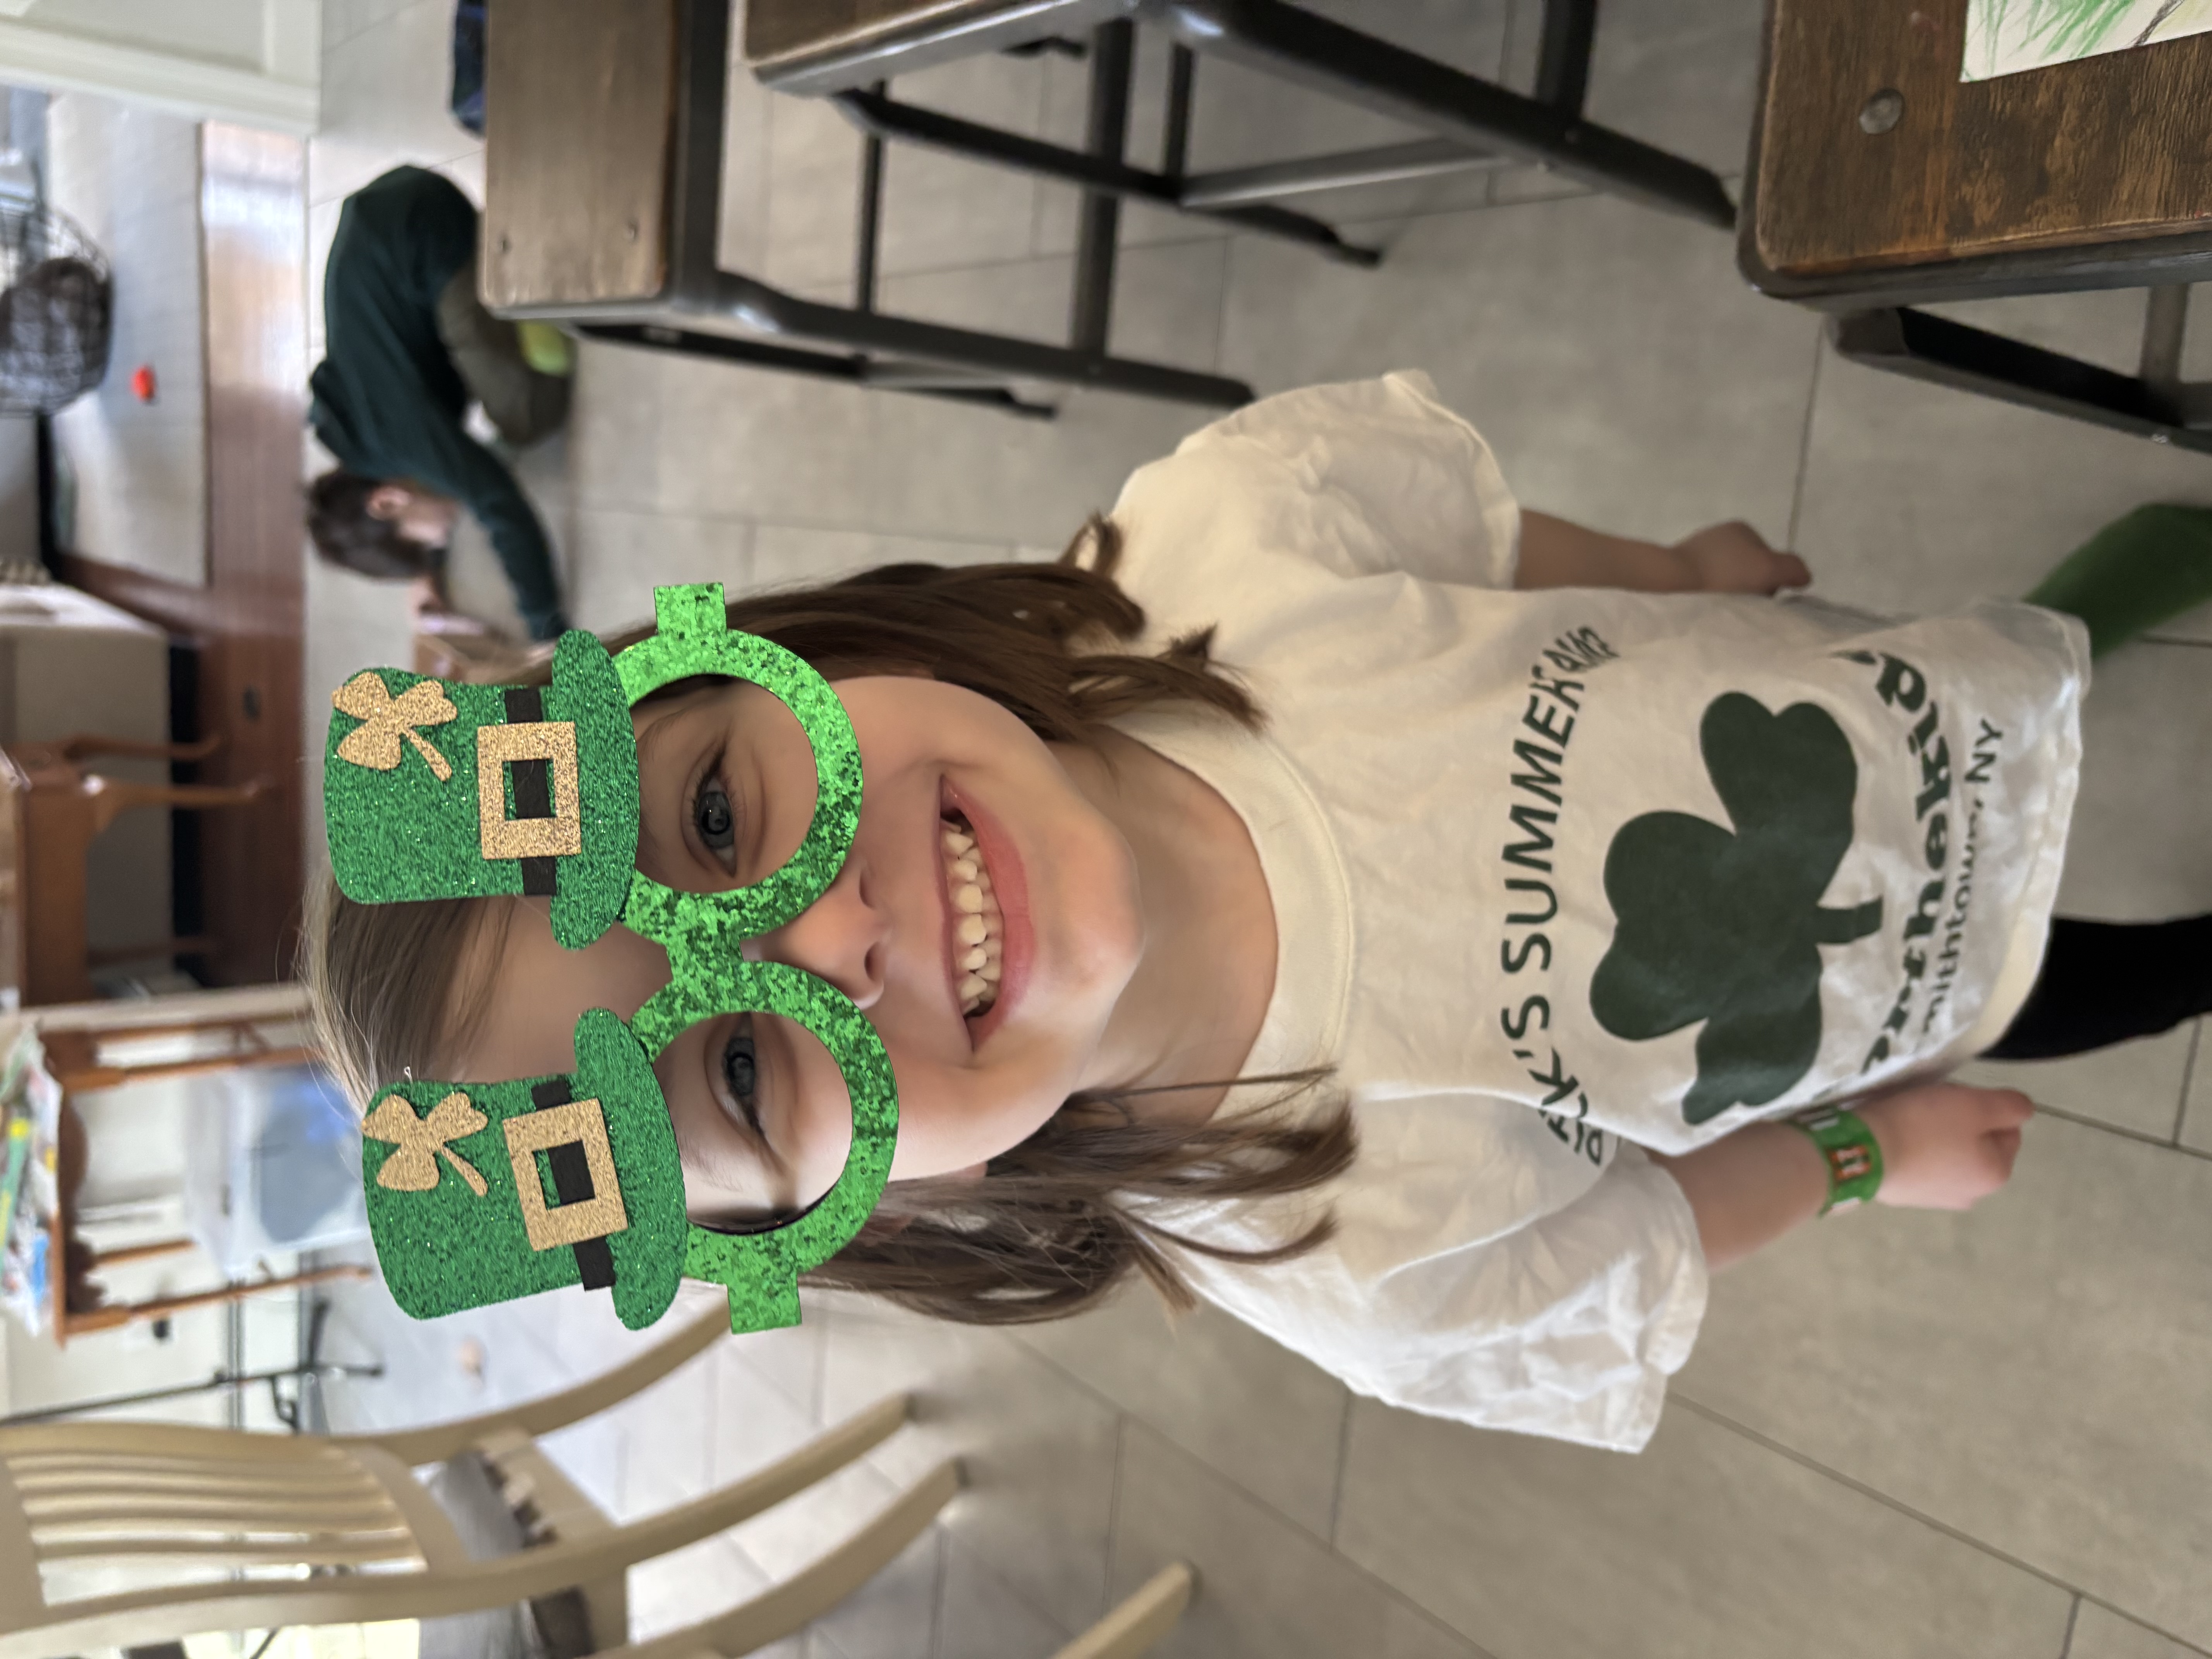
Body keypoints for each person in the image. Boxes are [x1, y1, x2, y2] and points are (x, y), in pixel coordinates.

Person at [303, 374, 2212, 1452]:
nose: (830, 939)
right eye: (731, 1068)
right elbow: (1648, 1231)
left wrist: (1664, 568)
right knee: (2100, 969)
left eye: (717, 813)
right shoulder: (1335, 1251)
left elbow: (1471, 538)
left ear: (781, 658)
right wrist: (1865, 1150)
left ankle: (2105, 607)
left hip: (1839, 697)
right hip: (1907, 993)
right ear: (845, 1210)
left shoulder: (1216, 541)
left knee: (2003, 675)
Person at [307, 165, 572, 641]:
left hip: (427, 225)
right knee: (466, 426)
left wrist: (547, 635)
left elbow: (499, 505)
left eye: (428, 539)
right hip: (387, 209)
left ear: (388, 500)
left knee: (529, 418)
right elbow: (425, 497)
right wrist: (423, 573)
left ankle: (520, 257)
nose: (444, 536)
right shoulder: (360, 442)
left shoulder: (398, 441)